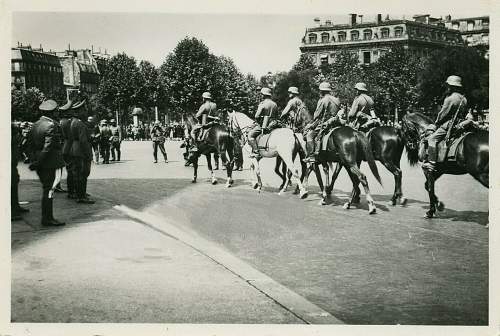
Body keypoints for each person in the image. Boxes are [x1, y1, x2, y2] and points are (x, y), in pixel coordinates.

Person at [27, 99, 66, 226]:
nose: (57, 113)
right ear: (51, 112)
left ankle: (47, 217)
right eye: (56, 111)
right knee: (49, 190)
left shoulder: (36, 124)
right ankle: (47, 218)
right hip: (50, 163)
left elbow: (29, 146)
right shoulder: (51, 125)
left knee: (46, 189)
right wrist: (39, 162)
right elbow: (48, 147)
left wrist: (34, 160)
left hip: (41, 163)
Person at [422, 75, 468, 171]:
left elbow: (443, 114)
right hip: (461, 124)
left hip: (449, 125)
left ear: (451, 86)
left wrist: (436, 122)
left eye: (448, 86)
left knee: (431, 139)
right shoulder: (464, 99)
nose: (447, 88)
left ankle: (431, 163)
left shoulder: (450, 98)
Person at [303, 82, 341, 163]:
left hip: (325, 123)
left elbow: (316, 115)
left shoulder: (323, 100)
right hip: (336, 122)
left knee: (310, 135)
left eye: (320, 91)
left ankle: (312, 156)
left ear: (322, 91)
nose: (319, 92)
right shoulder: (336, 99)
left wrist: (312, 124)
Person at [69, 100, 95, 204]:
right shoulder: (80, 124)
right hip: (81, 151)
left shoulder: (73, 121)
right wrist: (89, 155)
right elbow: (83, 141)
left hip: (75, 149)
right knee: (83, 174)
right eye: (83, 110)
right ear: (79, 111)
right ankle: (82, 196)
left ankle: (79, 194)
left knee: (78, 174)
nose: (85, 111)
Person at [248, 87, 278, 159]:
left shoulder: (262, 103)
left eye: (261, 94)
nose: (261, 96)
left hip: (264, 124)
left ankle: (256, 152)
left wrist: (258, 121)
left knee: (250, 135)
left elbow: (256, 116)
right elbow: (277, 115)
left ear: (264, 95)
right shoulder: (274, 104)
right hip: (273, 124)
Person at [11, 122, 30, 221]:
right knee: (10, 185)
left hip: (12, 164)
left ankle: (15, 206)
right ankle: (11, 212)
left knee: (14, 183)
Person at [59, 100, 76, 198]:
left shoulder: (62, 121)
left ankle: (72, 191)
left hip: (66, 147)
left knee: (71, 171)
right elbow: (71, 136)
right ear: (67, 111)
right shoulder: (68, 122)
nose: (73, 112)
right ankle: (72, 192)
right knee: (72, 171)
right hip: (70, 148)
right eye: (71, 110)